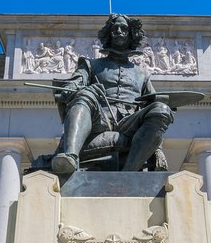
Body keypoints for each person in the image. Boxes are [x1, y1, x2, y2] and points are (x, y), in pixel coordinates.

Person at [51, 14, 174, 173]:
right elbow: (75, 83)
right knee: (86, 94)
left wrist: (158, 149)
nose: (118, 31)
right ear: (108, 35)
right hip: (100, 118)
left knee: (162, 109)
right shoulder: (90, 65)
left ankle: (128, 173)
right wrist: (73, 88)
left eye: (123, 29)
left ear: (131, 35)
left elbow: (153, 103)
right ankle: (70, 158)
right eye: (114, 28)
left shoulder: (142, 74)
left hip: (131, 122)